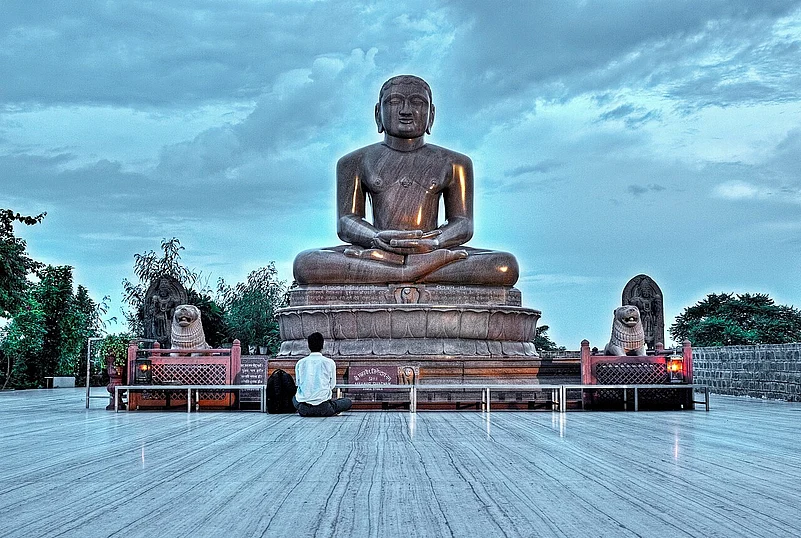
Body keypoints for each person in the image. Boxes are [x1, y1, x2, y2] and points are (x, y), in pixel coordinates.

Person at [292, 75, 519, 286]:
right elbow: (346, 222)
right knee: (306, 263)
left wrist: (434, 243)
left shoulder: (454, 163)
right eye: (394, 102)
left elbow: (463, 224)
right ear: (377, 114)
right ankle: (406, 273)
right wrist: (375, 238)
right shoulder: (355, 161)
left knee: (503, 266)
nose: (406, 111)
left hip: (430, 250)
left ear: (431, 114)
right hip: (378, 250)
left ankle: (401, 271)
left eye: (417, 102)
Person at [293, 332, 352, 417]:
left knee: (294, 398)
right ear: (322, 345)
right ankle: (331, 408)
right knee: (347, 402)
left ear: (308, 346)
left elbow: (298, 384)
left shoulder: (300, 363)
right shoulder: (329, 362)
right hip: (324, 408)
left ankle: (305, 408)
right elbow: (332, 385)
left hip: (304, 409)